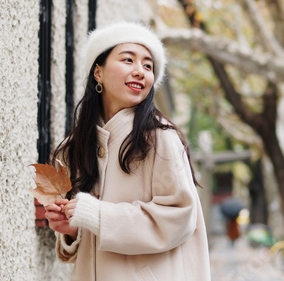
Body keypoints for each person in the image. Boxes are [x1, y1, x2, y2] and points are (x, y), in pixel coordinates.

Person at [44, 21, 211, 281]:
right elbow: (84, 246)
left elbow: (179, 218)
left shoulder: (160, 138)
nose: (140, 71)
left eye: (148, 65)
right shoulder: (74, 148)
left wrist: (98, 215)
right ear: (97, 72)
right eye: (128, 60)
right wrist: (71, 230)